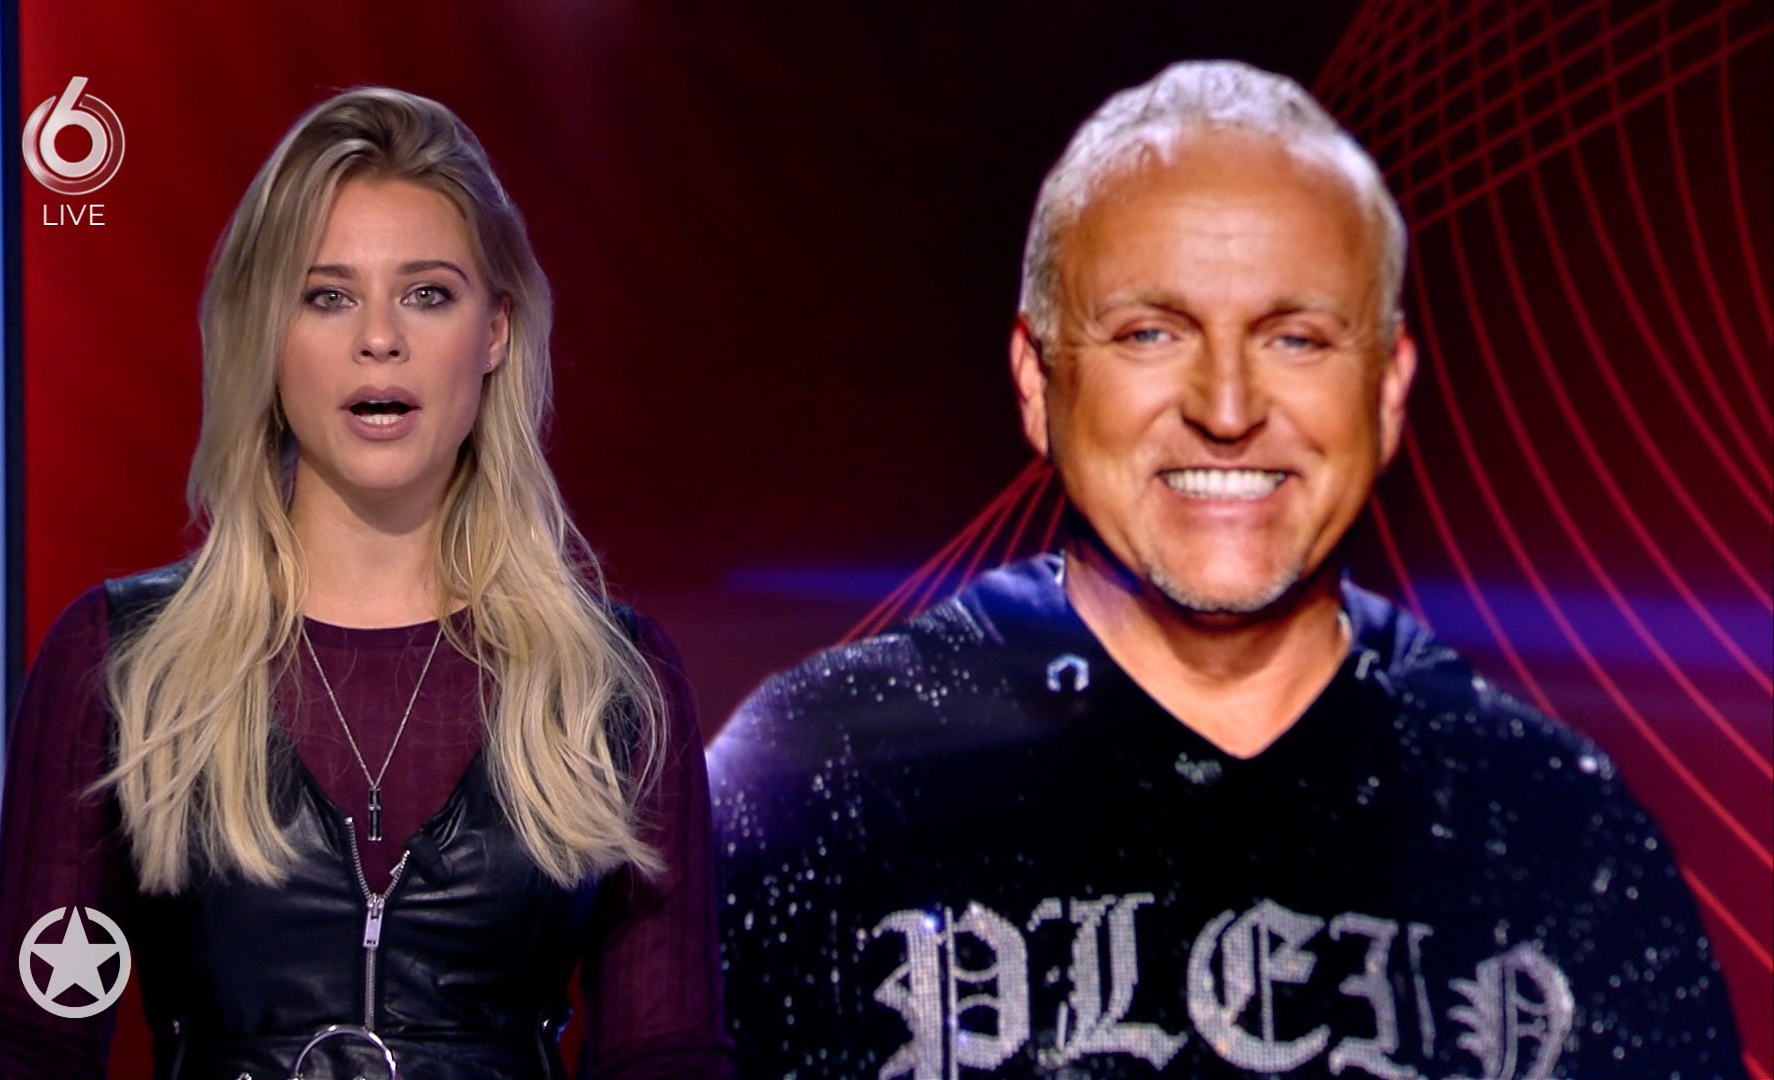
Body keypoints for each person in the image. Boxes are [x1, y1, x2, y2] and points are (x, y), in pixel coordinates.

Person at [711, 61, 1743, 1079]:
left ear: (1388, 391)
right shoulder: (824, 778)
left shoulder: (1557, 829)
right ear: (1037, 380)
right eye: (1151, 332)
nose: (1229, 407)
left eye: (1295, 338)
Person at [0, 88, 732, 1079]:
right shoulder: (119, 663)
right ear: (267, 333)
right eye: (328, 296)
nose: (379, 338)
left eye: (427, 294)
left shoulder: (612, 684)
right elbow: (30, 1042)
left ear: (494, 331)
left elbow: (666, 1056)